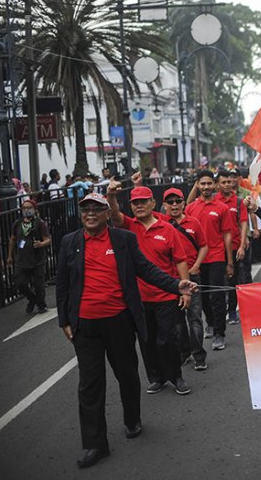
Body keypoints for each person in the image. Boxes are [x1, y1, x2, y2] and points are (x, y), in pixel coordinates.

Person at [56, 192, 197, 468]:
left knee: (128, 375)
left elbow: (146, 269)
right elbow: (62, 285)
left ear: (108, 214)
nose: (91, 214)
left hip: (119, 321)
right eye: (86, 210)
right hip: (85, 326)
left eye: (97, 209)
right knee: (89, 384)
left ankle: (132, 419)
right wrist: (65, 320)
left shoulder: (123, 240)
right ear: (81, 214)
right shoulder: (69, 242)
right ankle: (95, 444)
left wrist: (176, 284)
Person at [107, 182, 192, 396]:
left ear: (153, 203)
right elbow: (114, 214)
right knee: (146, 340)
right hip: (139, 297)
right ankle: (156, 377)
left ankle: (176, 376)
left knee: (167, 339)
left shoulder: (167, 229)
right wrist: (111, 195)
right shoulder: (128, 226)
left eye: (143, 202)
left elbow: (181, 260)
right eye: (135, 203)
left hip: (165, 295)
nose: (139, 206)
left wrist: (185, 290)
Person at [161, 188, 210, 370]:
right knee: (177, 321)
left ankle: (199, 355)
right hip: (171, 280)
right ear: (164, 204)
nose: (174, 205)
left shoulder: (193, 222)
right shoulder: (160, 223)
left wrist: (197, 265)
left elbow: (204, 246)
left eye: (178, 201)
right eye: (170, 202)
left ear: (183, 203)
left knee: (195, 317)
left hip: (192, 276)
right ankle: (184, 352)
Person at [185, 170, 234, 351]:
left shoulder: (222, 207)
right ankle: (211, 323)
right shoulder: (191, 208)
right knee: (202, 295)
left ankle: (219, 333)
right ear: (197, 185)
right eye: (202, 184)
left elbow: (227, 235)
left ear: (214, 185)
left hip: (216, 257)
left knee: (217, 295)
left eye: (209, 184)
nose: (206, 187)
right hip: (197, 259)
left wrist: (229, 262)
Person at [7, 199, 51, 314]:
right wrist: (9, 256)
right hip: (21, 260)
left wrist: (41, 244)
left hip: (37, 260)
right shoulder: (17, 223)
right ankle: (32, 299)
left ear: (34, 209)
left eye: (29, 207)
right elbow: (12, 239)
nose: (26, 210)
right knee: (20, 283)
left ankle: (41, 304)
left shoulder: (40, 223)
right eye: (24, 208)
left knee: (38, 284)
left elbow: (47, 240)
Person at [216, 169, 248, 324]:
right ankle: (218, 315)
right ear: (218, 184)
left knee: (233, 279)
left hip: (234, 246)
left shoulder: (238, 201)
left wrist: (242, 246)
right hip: (216, 249)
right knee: (218, 283)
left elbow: (243, 224)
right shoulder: (214, 200)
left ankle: (232, 311)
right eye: (224, 182)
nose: (227, 185)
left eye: (229, 181)